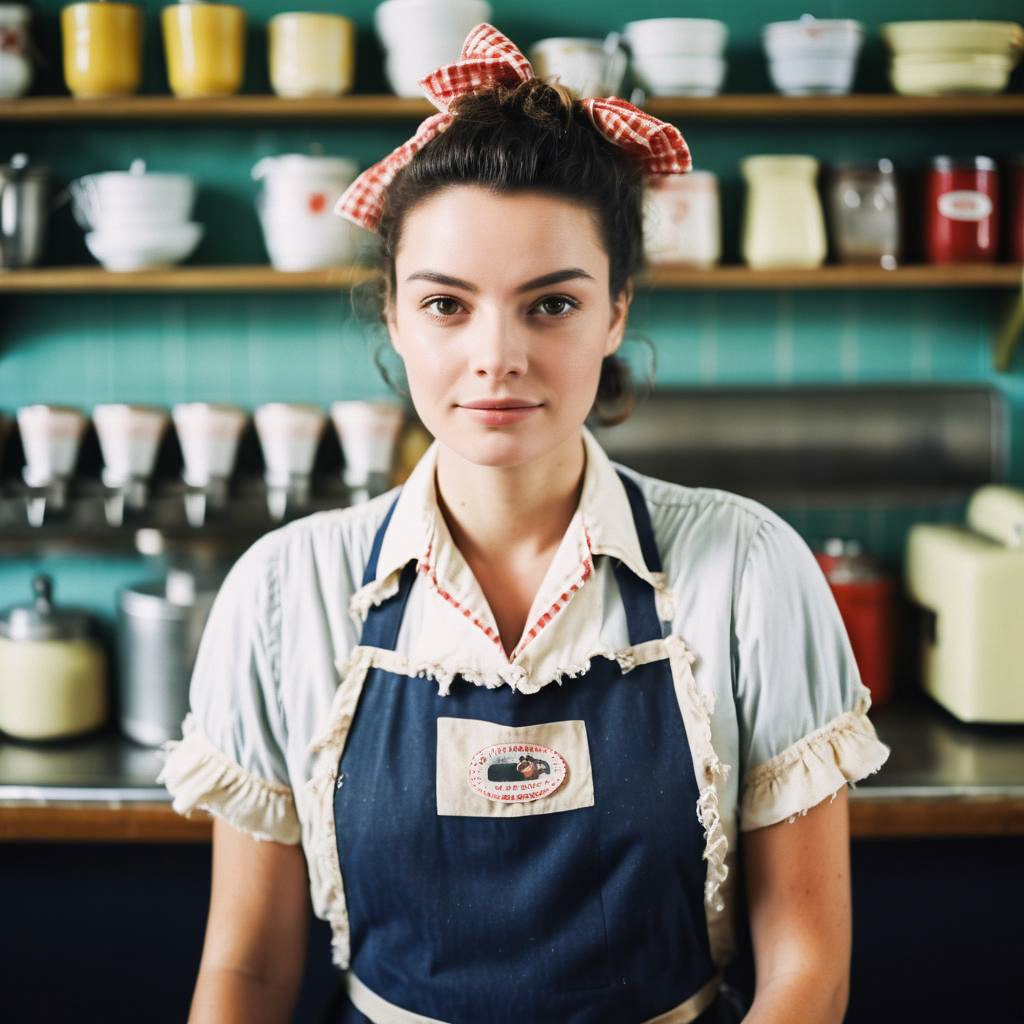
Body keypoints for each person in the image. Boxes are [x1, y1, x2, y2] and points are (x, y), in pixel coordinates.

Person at [157, 23, 891, 1024]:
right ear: (395, 314)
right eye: (447, 304)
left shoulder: (746, 567)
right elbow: (245, 971)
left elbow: (807, 964)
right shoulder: (286, 591)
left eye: (549, 304)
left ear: (617, 309)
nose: (495, 355)